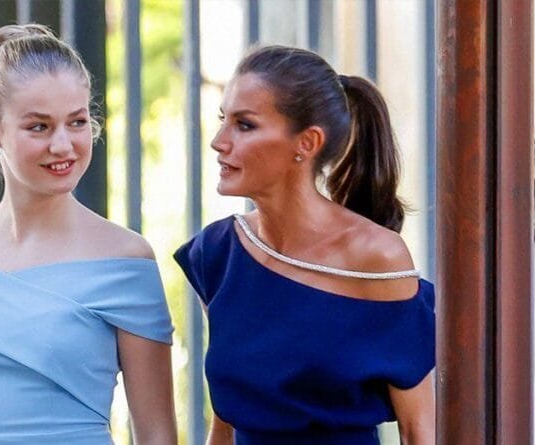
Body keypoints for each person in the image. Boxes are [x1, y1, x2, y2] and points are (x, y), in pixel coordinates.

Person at [0, 24, 177, 445]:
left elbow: (157, 435)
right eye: (39, 127)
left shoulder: (127, 260)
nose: (63, 145)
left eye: (77, 121)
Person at [174, 45, 435, 445]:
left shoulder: (377, 256)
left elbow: (420, 430)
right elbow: (225, 421)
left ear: (307, 143)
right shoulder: (219, 253)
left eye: (244, 125)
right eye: (223, 120)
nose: (218, 141)